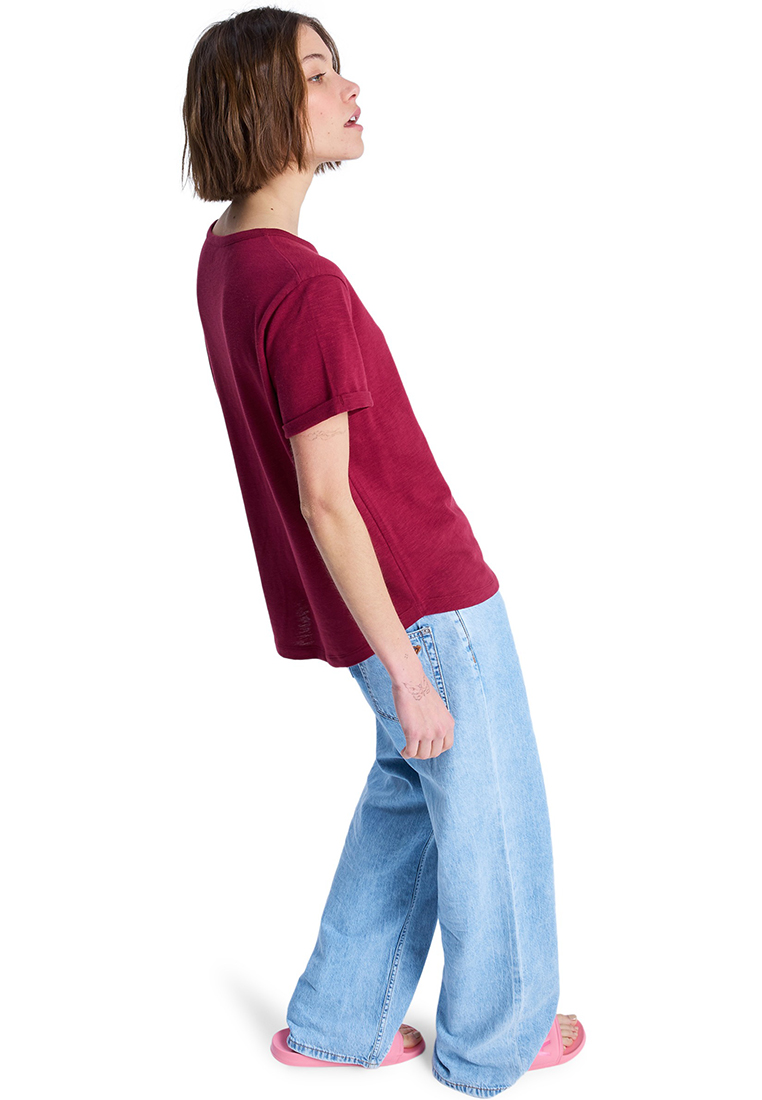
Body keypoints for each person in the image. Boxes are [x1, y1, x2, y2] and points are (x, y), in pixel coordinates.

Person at [182, 7, 584, 1095]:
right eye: (319, 73)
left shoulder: (229, 259)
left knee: (412, 794)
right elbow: (327, 500)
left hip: (367, 606)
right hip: (422, 601)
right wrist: (409, 668)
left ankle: (337, 1020)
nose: (350, 88)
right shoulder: (304, 288)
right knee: (492, 815)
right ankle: (499, 1039)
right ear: (262, 108)